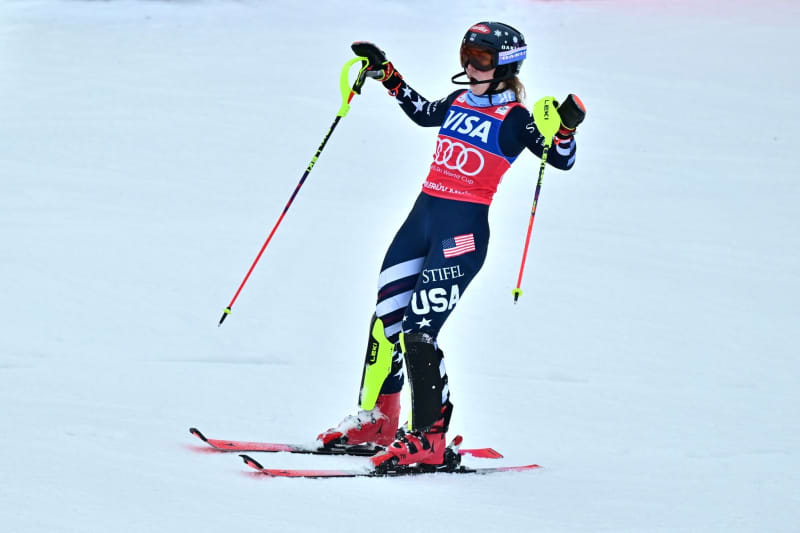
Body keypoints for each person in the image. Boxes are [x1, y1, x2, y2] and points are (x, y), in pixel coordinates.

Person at [317, 21, 586, 471]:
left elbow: (559, 159)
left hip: (461, 235)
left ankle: (430, 437)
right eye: (466, 54)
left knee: (419, 330)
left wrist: (565, 129)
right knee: (386, 319)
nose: (469, 65)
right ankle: (379, 420)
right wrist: (387, 74)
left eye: (480, 58)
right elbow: (424, 112)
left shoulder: (516, 117)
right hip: (420, 220)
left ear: (505, 65)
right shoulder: (459, 100)